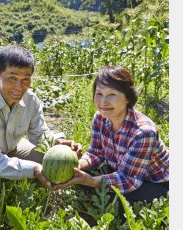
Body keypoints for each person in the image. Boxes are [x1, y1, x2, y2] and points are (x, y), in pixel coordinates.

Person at [0, 45, 82, 196]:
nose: (19, 87)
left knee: (51, 158)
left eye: (26, 79)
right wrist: (33, 169)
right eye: (12, 78)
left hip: (11, 147)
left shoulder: (31, 99)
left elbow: (39, 134)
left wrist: (58, 144)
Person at [53, 65, 169, 217]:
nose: (103, 102)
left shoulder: (144, 132)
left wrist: (91, 181)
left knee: (113, 202)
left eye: (112, 94)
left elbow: (129, 180)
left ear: (128, 97)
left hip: (156, 182)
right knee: (86, 182)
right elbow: (96, 152)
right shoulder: (100, 118)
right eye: (99, 94)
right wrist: (77, 166)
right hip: (123, 172)